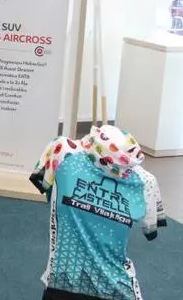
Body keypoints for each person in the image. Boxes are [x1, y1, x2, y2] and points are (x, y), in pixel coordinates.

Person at [29, 125, 166, 300]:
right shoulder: (62, 151)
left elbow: (151, 230)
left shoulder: (145, 181)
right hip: (63, 280)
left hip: (117, 289)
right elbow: (43, 184)